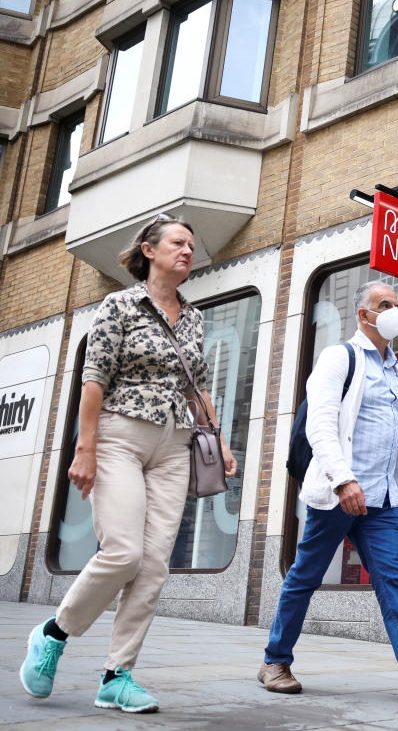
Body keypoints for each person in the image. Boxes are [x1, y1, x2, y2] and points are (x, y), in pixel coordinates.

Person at [19, 215, 238, 714]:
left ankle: (117, 675)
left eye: (191, 245)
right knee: (123, 552)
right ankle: (54, 633)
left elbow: (196, 385)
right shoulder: (119, 305)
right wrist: (86, 448)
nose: (187, 251)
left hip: (174, 445)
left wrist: (219, 441)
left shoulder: (195, 316)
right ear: (149, 250)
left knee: (154, 566)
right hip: (119, 435)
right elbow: (94, 377)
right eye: (177, 243)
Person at [259, 280, 398, 701]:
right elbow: (321, 423)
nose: (394, 311)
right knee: (305, 576)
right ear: (363, 315)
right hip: (342, 492)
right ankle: (275, 660)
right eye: (384, 305)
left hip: (384, 498)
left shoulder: (397, 370)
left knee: (393, 579)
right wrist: (342, 479)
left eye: (396, 304)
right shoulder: (340, 357)